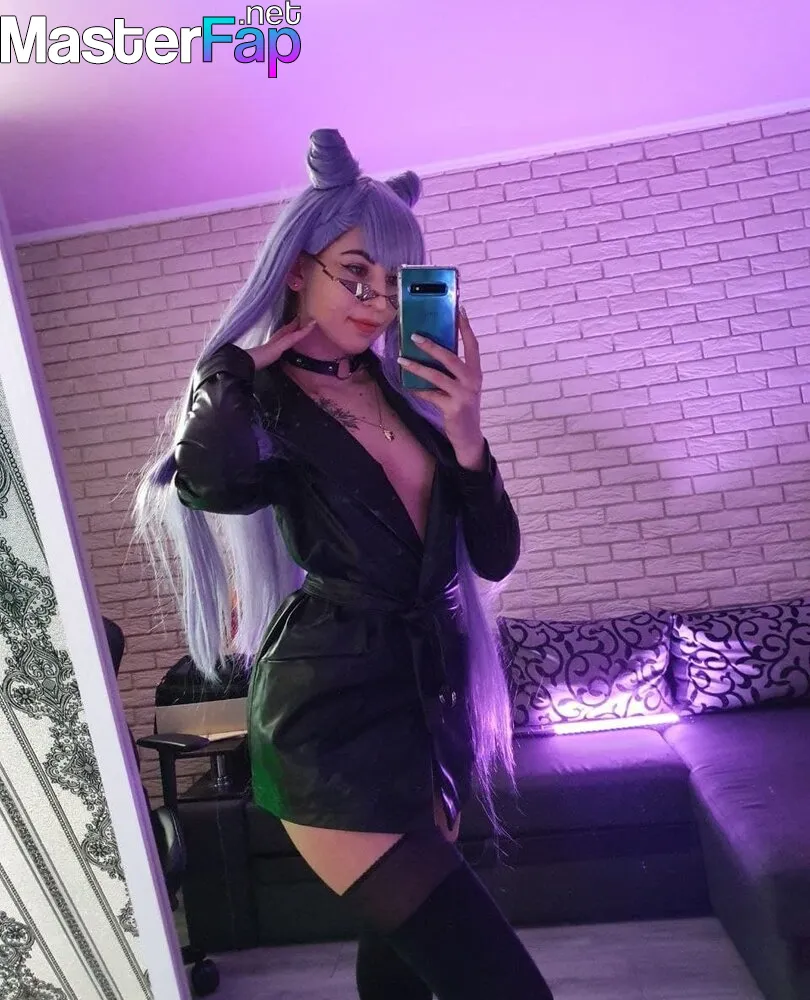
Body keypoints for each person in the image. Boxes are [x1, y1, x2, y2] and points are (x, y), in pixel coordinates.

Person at [135, 128, 554, 1000]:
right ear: (299, 269)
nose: (377, 302)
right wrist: (226, 370)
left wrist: (467, 432)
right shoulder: (263, 400)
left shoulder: (407, 390)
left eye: (396, 284)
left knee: (399, 967)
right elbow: (211, 485)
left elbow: (494, 554)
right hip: (329, 719)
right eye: (356, 274)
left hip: (426, 702)